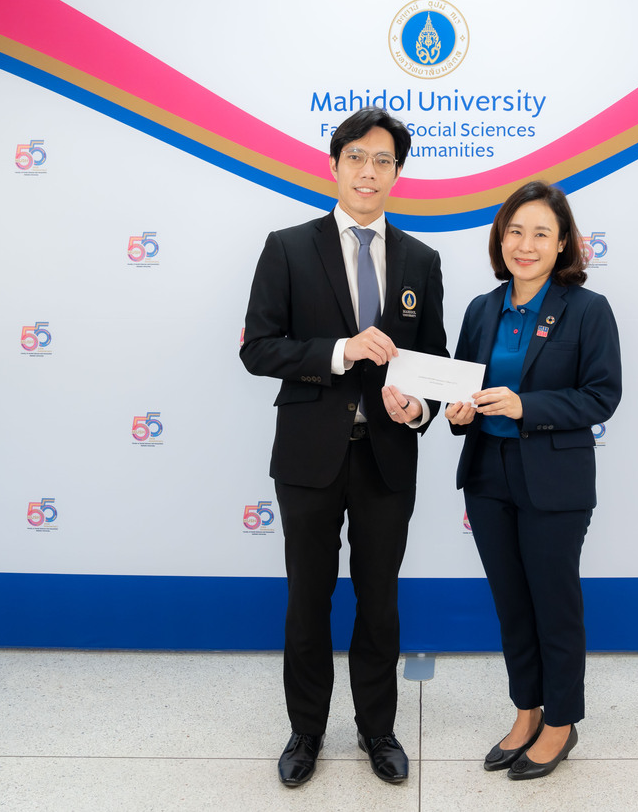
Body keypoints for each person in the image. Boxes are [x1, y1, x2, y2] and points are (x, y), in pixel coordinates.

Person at [240, 106, 447, 787]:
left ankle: (377, 728)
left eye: (383, 160)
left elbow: (433, 361)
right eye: (356, 156)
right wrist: (340, 350)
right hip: (309, 455)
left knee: (379, 599)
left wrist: (418, 406)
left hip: (387, 456)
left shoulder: (421, 259)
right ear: (334, 165)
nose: (368, 170)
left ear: (397, 173)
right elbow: (259, 348)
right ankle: (306, 730)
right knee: (309, 597)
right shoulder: (287, 247)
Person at [445, 180, 621, 780]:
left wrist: (527, 406)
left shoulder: (587, 309)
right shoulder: (481, 308)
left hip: (554, 479)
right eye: (515, 231)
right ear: (501, 239)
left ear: (563, 242)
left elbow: (601, 396)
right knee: (512, 605)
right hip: (487, 474)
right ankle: (527, 711)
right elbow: (463, 387)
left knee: (554, 603)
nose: (526, 244)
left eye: (541, 233)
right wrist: (458, 411)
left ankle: (561, 722)